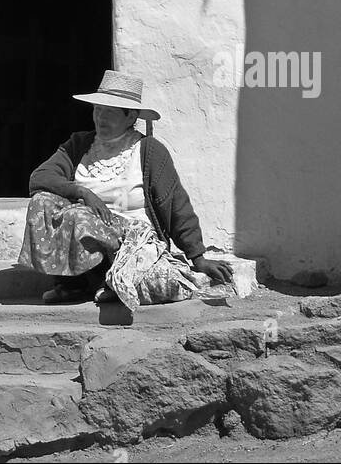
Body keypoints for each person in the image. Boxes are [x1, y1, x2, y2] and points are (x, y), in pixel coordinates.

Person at [18, 70, 235, 307]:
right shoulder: (79, 145)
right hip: (86, 228)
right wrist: (82, 192)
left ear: (130, 117)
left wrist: (198, 257)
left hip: (131, 237)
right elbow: (39, 178)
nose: (101, 118)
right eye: (97, 110)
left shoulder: (149, 151)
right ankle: (72, 284)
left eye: (109, 112)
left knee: (77, 217)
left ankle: (111, 279)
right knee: (42, 202)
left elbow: (176, 205)